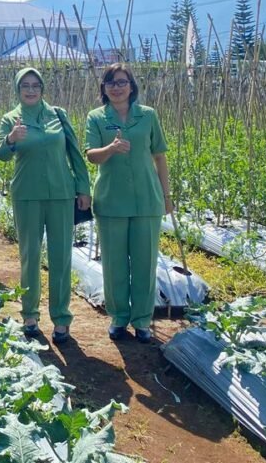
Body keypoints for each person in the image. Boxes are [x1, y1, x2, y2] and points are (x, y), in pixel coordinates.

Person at [0, 68, 91, 344]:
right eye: (25, 85)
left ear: (42, 88)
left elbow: (75, 153)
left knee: (61, 256)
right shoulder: (10, 119)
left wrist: (83, 188)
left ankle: (61, 318)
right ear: (18, 90)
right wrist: (11, 139)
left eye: (35, 85)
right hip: (27, 194)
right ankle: (30, 315)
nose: (30, 90)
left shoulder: (57, 115)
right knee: (30, 255)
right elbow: (1, 155)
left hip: (61, 193)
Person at [84, 63, 172, 344]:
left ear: (132, 86)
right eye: (111, 82)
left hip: (147, 200)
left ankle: (142, 320)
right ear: (104, 88)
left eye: (122, 82)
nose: (117, 87)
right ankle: (119, 317)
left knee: (145, 263)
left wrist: (167, 196)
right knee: (114, 264)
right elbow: (91, 155)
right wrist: (110, 149)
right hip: (112, 201)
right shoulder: (97, 117)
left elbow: (159, 156)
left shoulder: (148, 115)